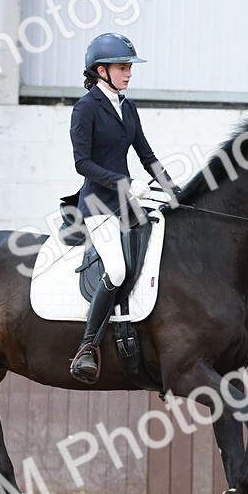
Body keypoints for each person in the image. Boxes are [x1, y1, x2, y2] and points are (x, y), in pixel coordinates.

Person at [67, 32, 177, 384]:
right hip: (98, 204)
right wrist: (124, 183)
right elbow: (82, 163)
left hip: (127, 204)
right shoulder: (85, 108)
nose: (129, 73)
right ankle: (87, 347)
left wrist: (174, 189)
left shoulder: (127, 107)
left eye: (129, 67)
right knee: (116, 270)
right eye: (122, 67)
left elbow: (146, 154)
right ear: (101, 71)